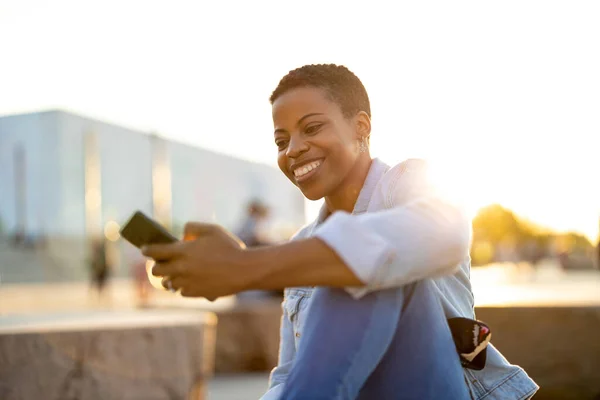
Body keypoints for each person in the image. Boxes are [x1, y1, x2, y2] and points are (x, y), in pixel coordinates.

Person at [143, 64, 538, 399]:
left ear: (361, 127)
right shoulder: (302, 246)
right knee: (339, 261)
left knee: (362, 268)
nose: (293, 149)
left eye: (311, 128)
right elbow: (288, 375)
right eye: (281, 141)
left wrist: (244, 266)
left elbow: (445, 236)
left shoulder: (410, 184)